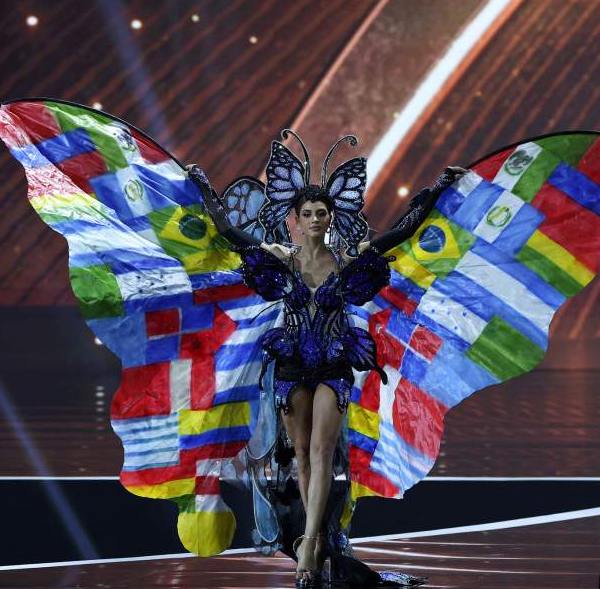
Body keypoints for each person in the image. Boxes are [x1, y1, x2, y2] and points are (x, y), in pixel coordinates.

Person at [186, 142, 465, 587]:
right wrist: (201, 184)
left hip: (335, 364)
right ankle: (310, 543)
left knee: (321, 453)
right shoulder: (283, 258)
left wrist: (439, 187)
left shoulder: (348, 259)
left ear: (330, 217)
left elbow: (404, 231)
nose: (316, 219)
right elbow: (227, 232)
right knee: (300, 454)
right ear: (296, 219)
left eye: (323, 213)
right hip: (292, 363)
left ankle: (310, 546)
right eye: (309, 213)